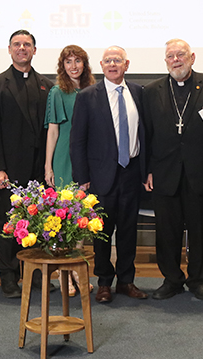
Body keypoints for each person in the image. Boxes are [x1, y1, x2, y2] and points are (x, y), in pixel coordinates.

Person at [143, 39, 203, 301]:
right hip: (164, 171)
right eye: (170, 56)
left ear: (192, 57)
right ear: (165, 61)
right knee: (167, 230)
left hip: (201, 170)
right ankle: (171, 279)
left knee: (199, 229)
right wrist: (147, 170)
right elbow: (146, 135)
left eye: (181, 55)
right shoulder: (152, 90)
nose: (176, 59)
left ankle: (198, 280)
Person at [70, 46, 148, 303]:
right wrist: (82, 178)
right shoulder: (87, 96)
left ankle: (126, 281)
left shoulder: (138, 92)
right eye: (108, 61)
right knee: (101, 232)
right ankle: (104, 282)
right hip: (100, 176)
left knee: (128, 230)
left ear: (127, 64)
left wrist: (146, 171)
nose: (113, 64)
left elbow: (146, 135)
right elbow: (77, 141)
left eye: (118, 60)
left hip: (132, 172)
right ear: (101, 66)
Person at [0, 30, 54, 298]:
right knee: (9, 224)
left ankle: (34, 275)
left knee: (37, 222)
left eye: (27, 45)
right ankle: (8, 277)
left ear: (34, 50)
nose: (22, 48)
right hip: (9, 170)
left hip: (37, 169)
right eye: (17, 45)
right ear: (9, 50)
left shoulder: (47, 85)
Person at [44, 44, 96, 296]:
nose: (73, 66)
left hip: (88, 157)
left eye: (78, 61)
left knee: (82, 218)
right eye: (68, 61)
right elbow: (53, 131)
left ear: (85, 64)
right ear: (62, 66)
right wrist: (48, 165)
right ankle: (66, 274)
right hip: (64, 156)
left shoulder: (94, 90)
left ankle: (76, 269)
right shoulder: (57, 92)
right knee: (64, 219)